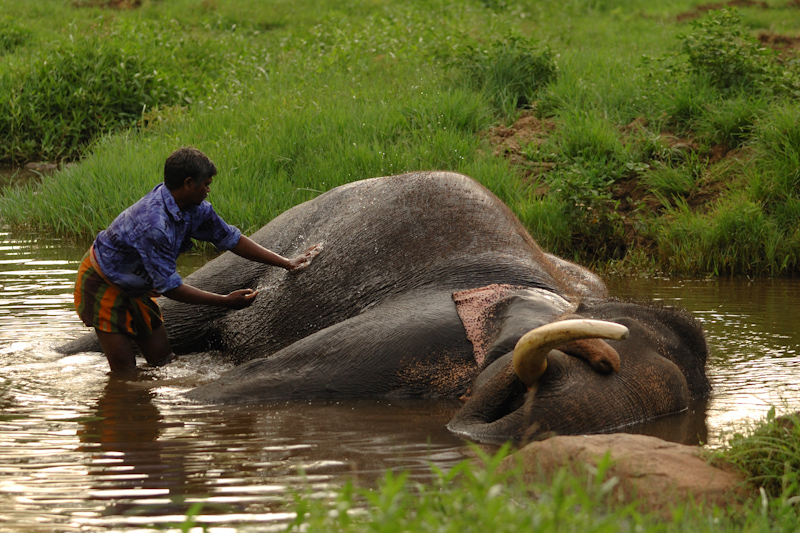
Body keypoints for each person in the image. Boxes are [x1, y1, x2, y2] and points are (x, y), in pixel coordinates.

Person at [73, 147, 322, 373]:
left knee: (163, 361)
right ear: (189, 184)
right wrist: (225, 301)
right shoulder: (154, 224)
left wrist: (287, 262)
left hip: (137, 284)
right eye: (206, 184)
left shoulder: (196, 208)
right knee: (125, 374)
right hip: (104, 282)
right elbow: (170, 287)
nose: (209, 189)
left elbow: (232, 239)